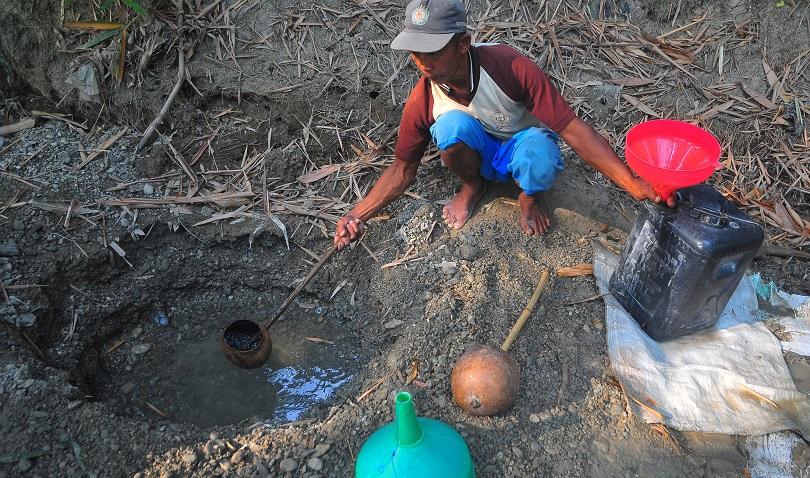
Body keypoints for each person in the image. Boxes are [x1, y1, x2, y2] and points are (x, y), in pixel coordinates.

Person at [334, 0, 664, 250]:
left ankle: (528, 197)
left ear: (463, 43)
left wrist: (632, 183)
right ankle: (472, 186)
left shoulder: (509, 66)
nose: (422, 63)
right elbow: (401, 169)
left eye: (431, 52)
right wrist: (356, 215)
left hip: (521, 149)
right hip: (478, 158)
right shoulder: (423, 97)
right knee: (450, 128)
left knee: (539, 152)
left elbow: (571, 128)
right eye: (415, 53)